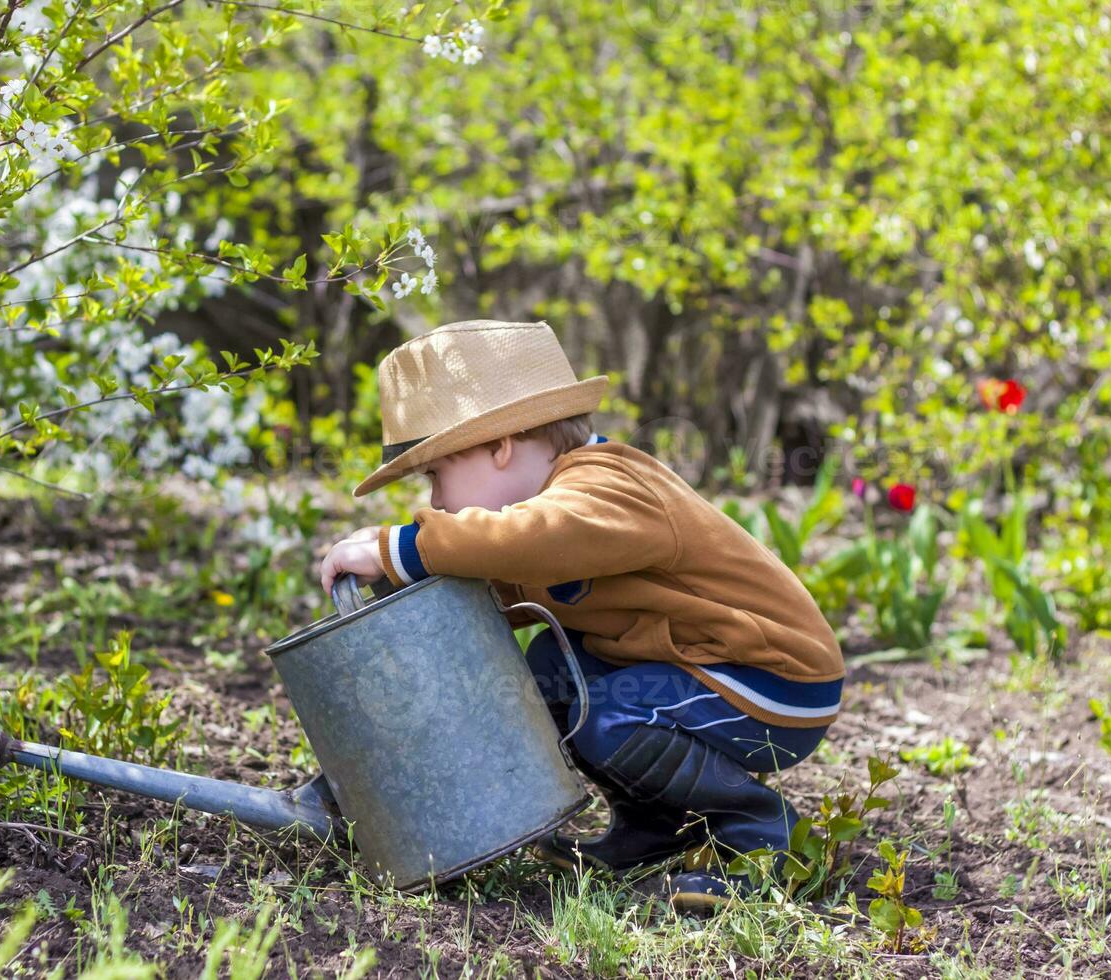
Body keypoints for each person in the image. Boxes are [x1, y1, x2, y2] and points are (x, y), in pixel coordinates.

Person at [317, 319, 843, 910]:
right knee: (548, 668)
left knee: (613, 717)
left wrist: (405, 547)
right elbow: (490, 591)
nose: (436, 501)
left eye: (437, 474)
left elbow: (531, 537)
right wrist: (399, 594)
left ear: (500, 444)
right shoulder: (540, 524)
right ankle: (653, 829)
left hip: (774, 677)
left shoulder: (608, 487)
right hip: (700, 664)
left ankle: (768, 844)